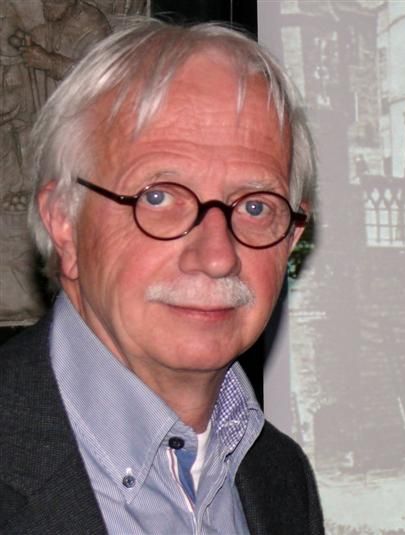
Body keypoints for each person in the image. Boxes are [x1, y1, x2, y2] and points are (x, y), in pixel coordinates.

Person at [0, 19, 323, 534]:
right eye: (158, 197)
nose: (217, 256)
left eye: (256, 207)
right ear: (64, 222)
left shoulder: (279, 477)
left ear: (290, 240)